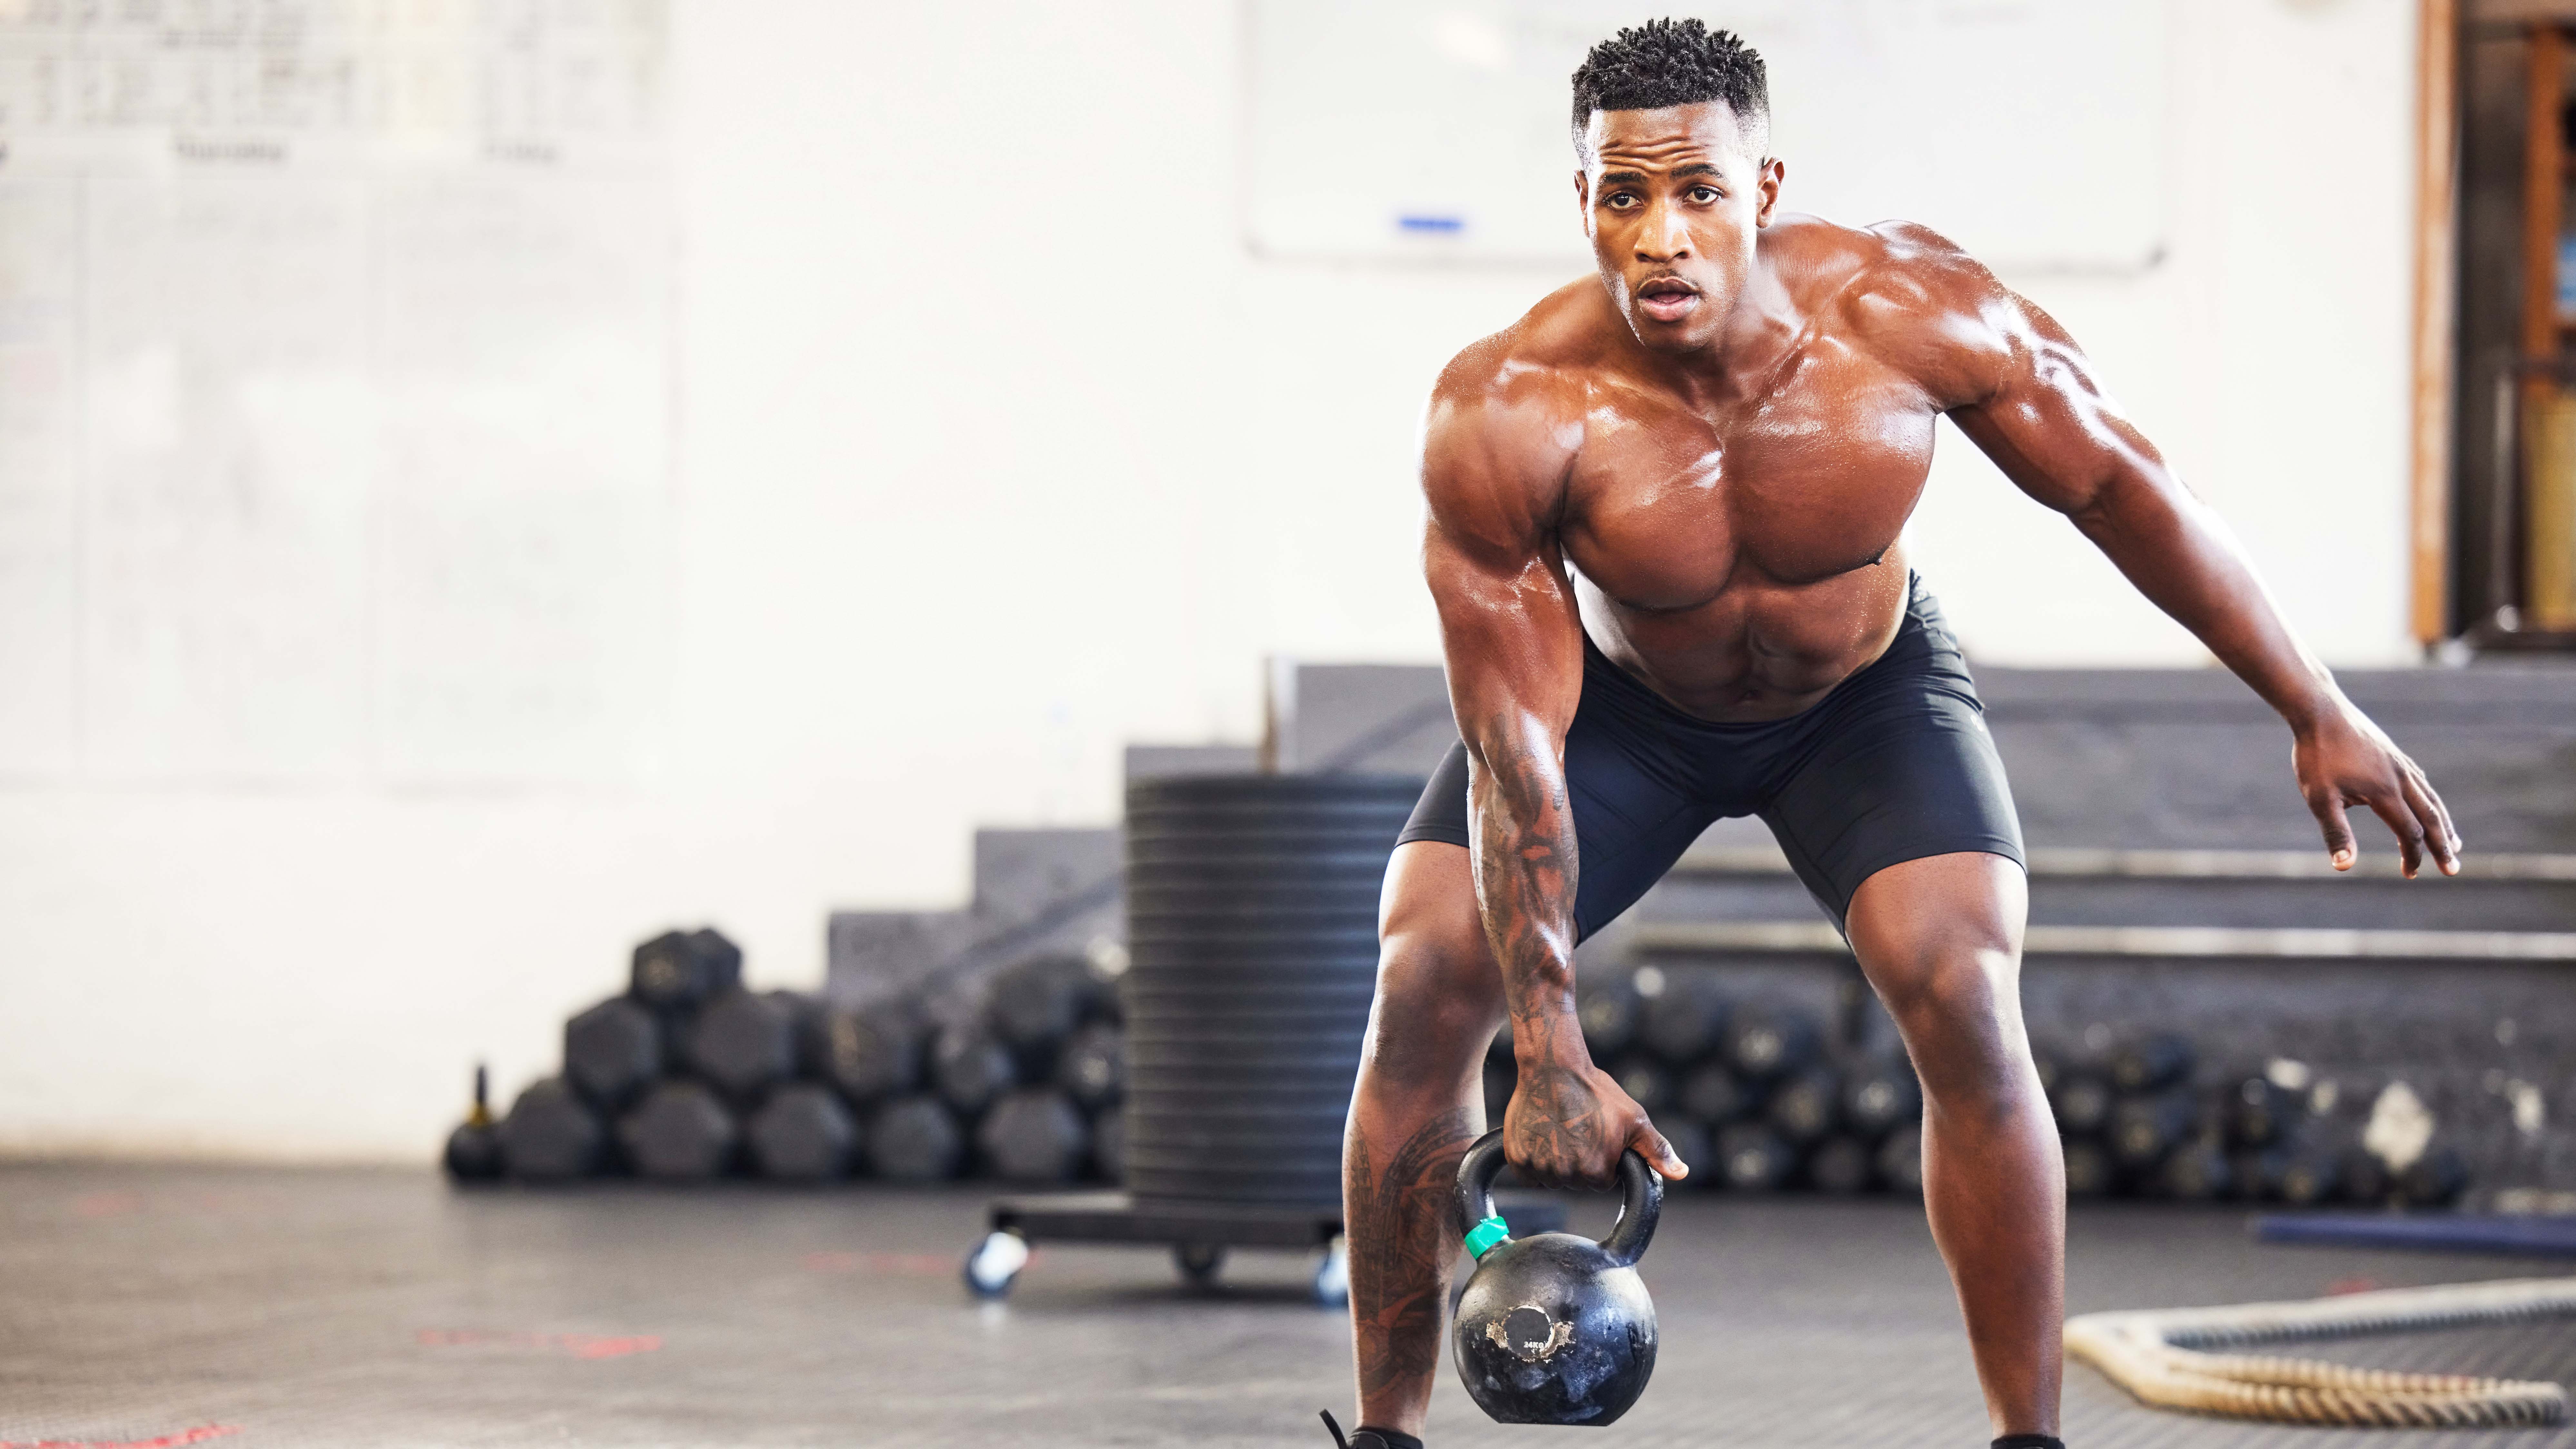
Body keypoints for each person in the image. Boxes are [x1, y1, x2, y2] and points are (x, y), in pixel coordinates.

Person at [1327, 19, 2460, 1449]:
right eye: (1624, 196)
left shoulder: (1909, 314)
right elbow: (1516, 747)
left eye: (1699, 192)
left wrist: (2315, 701)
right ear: (1583, 201)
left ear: (1767, 185)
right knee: (1427, 966)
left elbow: (2123, 488)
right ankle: (1386, 1432)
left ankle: (2024, 1438)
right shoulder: (1507, 410)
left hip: (1860, 698)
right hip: (1624, 712)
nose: (1661, 237)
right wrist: (1546, 1040)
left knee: (1965, 981)